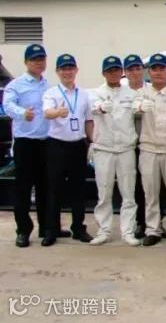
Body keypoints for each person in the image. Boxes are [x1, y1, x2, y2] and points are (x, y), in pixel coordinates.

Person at [3, 44, 61, 248]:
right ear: (26, 62)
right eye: (34, 59)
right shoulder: (16, 85)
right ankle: (23, 230)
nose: (38, 62)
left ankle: (47, 227)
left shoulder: (47, 86)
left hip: (45, 142)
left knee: (46, 187)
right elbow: (7, 105)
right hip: (25, 143)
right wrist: (22, 113)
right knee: (23, 189)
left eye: (41, 59)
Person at [132, 53, 166, 247]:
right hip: (149, 149)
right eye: (154, 69)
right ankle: (153, 229)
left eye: (162, 68)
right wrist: (139, 106)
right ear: (149, 72)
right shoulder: (141, 93)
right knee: (151, 193)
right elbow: (132, 108)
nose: (158, 72)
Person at [41, 53, 93, 246]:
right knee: (54, 189)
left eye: (70, 68)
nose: (67, 72)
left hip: (78, 145)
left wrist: (93, 141)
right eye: (63, 69)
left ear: (76, 70)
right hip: (57, 145)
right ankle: (51, 230)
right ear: (57, 71)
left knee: (78, 189)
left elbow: (89, 120)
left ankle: (78, 228)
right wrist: (58, 112)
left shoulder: (84, 94)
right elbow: (47, 112)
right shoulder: (51, 93)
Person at [87, 56, 140, 246]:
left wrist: (140, 107)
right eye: (109, 70)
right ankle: (104, 230)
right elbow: (94, 108)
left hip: (126, 148)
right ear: (104, 73)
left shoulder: (131, 93)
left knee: (128, 194)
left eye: (116, 70)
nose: (113, 73)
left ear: (121, 72)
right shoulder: (96, 93)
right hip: (104, 148)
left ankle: (128, 231)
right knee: (104, 193)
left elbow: (138, 108)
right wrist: (101, 107)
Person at [123, 54, 150, 239]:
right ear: (125, 72)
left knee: (151, 187)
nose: (135, 72)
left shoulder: (151, 90)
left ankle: (154, 223)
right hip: (128, 145)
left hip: (148, 144)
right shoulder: (121, 92)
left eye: (138, 68)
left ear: (143, 70)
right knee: (134, 187)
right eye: (131, 69)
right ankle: (139, 223)